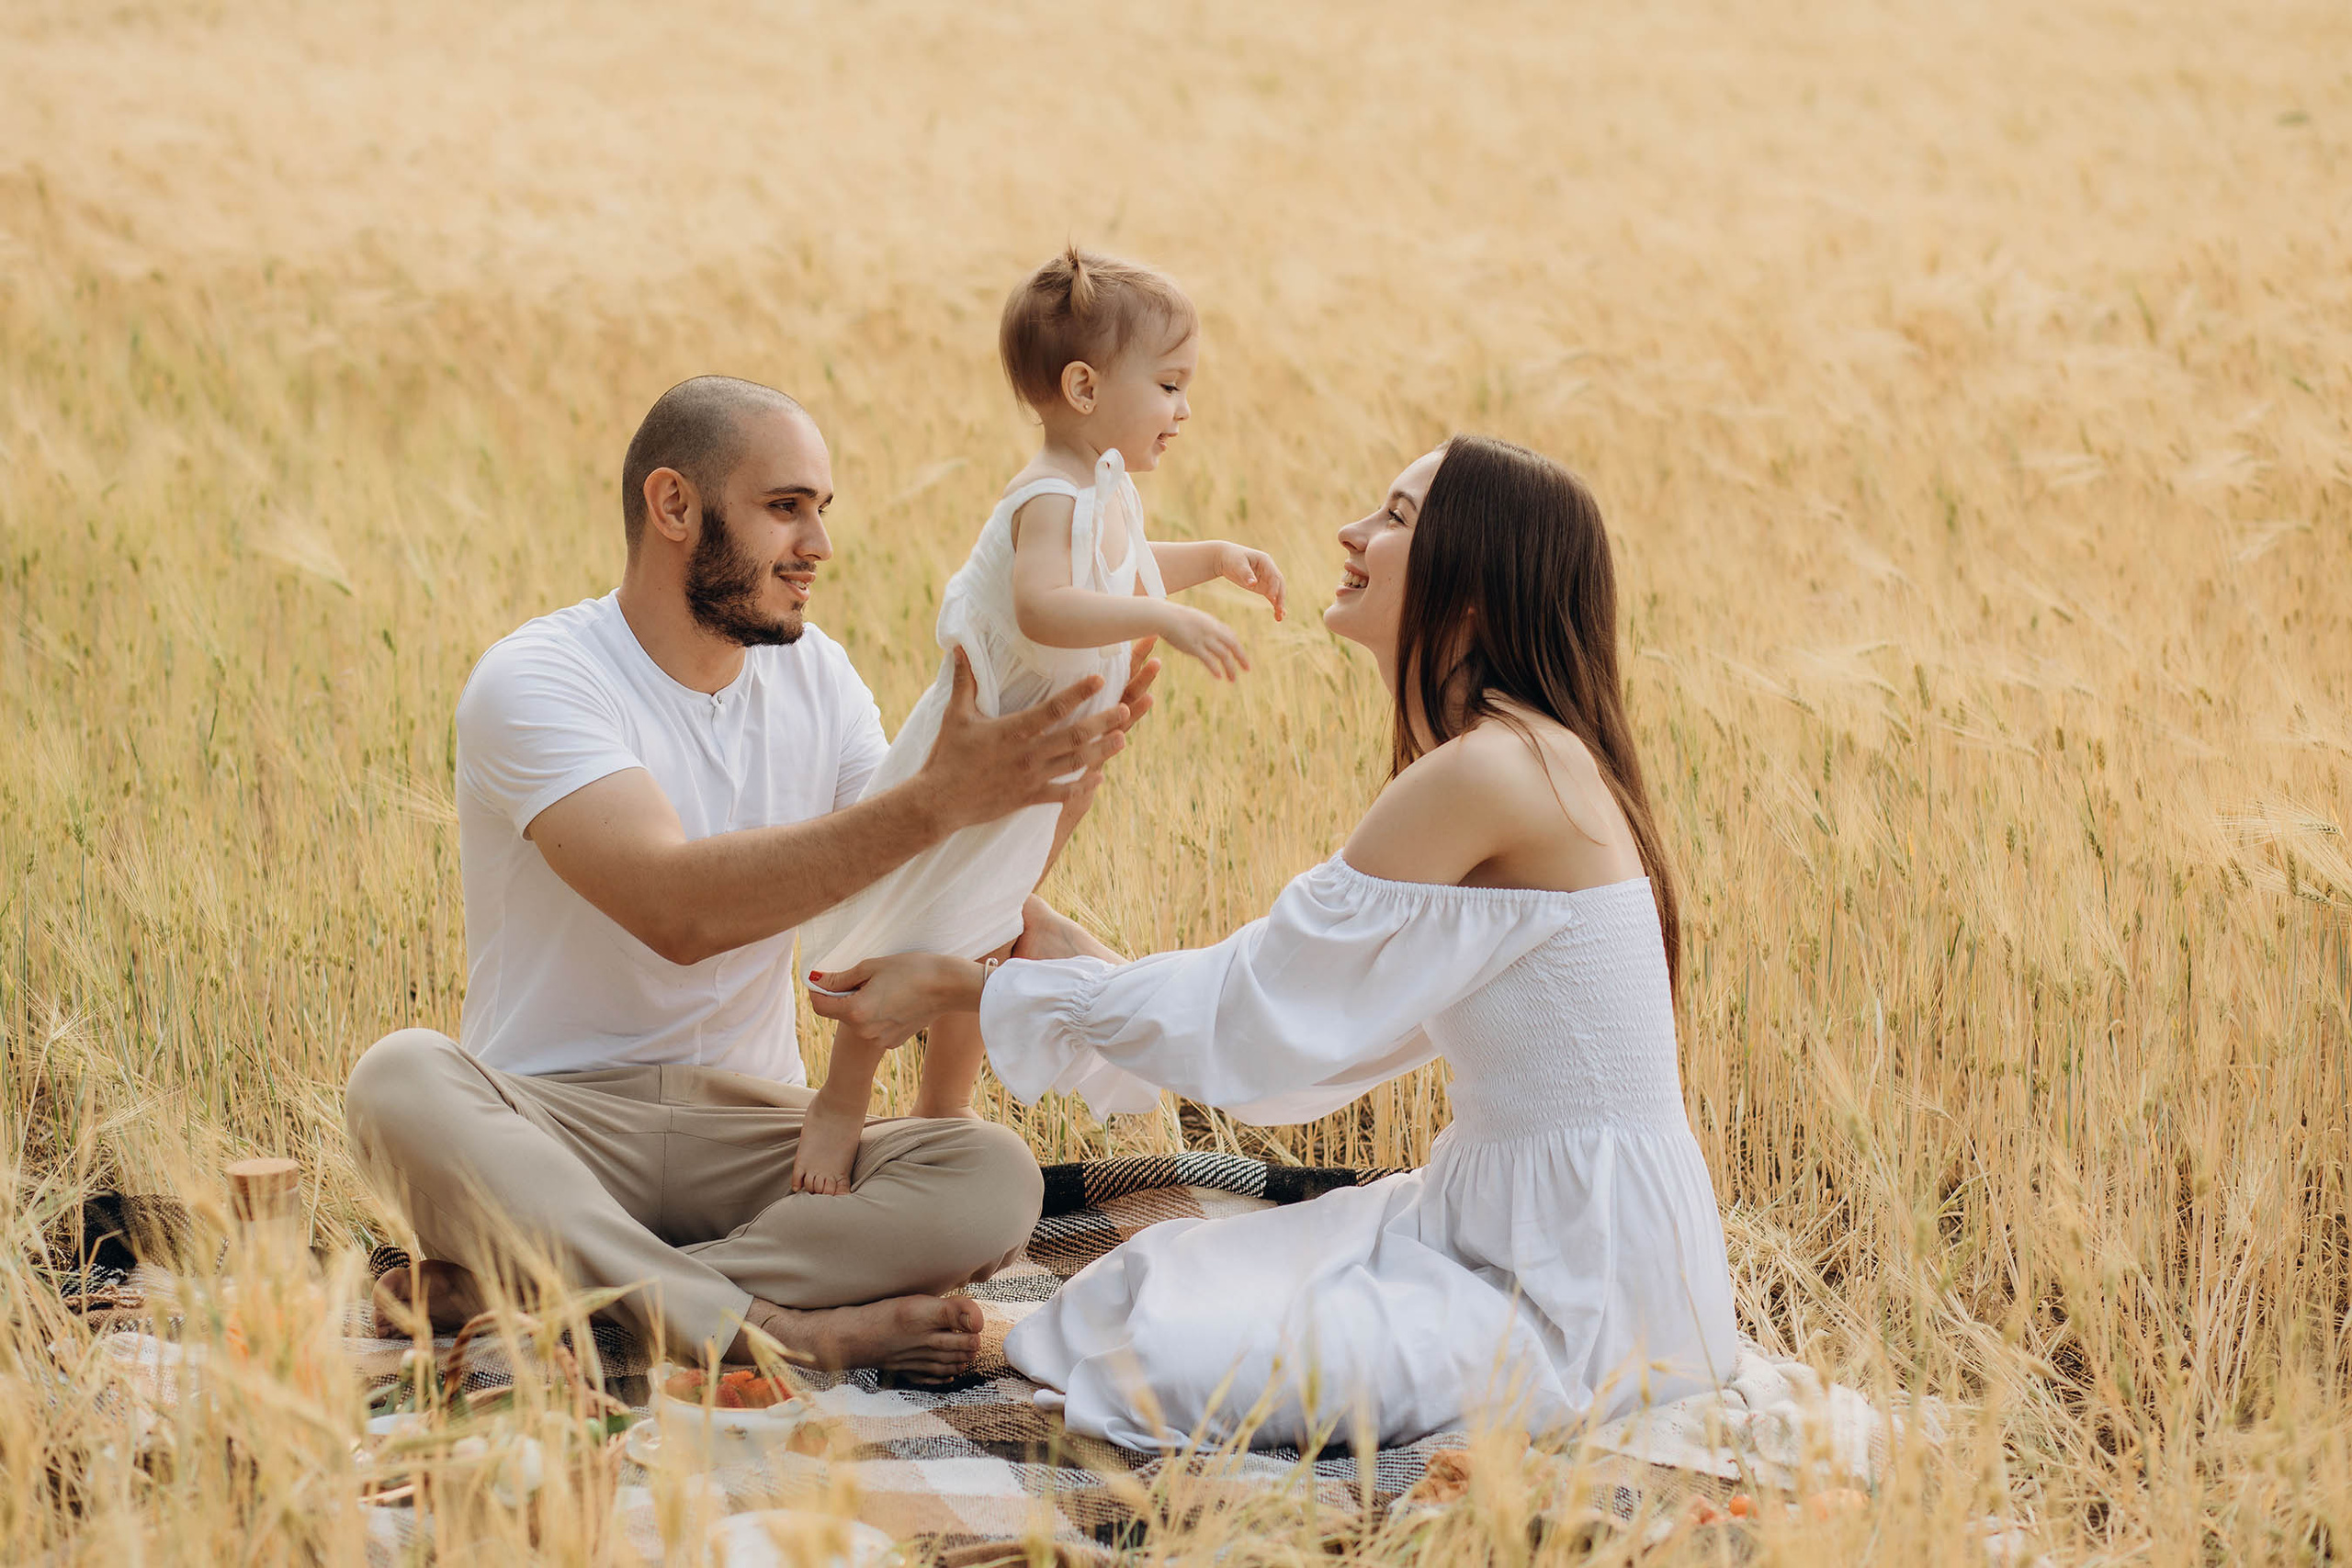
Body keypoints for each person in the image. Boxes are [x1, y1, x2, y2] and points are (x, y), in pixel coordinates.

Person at [804, 435, 1741, 1446]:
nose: (1351, 531)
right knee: (1134, 1288)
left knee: (1156, 1358)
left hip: (1578, 1283)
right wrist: (1062, 956)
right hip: (1508, 1224)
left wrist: (969, 988)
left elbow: (1255, 1014)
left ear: (1473, 588)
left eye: (1395, 517)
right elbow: (1302, 1048)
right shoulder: (1518, 759)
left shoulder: (1493, 772)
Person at [343, 376, 1159, 1378]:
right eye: (785, 507)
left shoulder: (818, 675)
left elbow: (913, 896)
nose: (819, 543)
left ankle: (560, 1289)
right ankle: (779, 1328)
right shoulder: (538, 679)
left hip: (758, 1136)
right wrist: (940, 801)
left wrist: (1048, 794)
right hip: (551, 1128)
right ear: (673, 505)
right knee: (397, 1080)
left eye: (821, 509)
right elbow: (676, 909)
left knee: (991, 1176)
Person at [791, 247, 1285, 1196]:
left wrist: (1215, 558)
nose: (1184, 408)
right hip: (977, 760)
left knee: (987, 928)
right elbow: (1045, 606)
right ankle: (841, 1102)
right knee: (918, 919)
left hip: (1033, 772)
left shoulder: (1102, 488)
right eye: (1170, 385)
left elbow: (1125, 563)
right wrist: (1163, 616)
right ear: (1085, 387)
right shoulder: (1048, 496)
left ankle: (943, 1107)